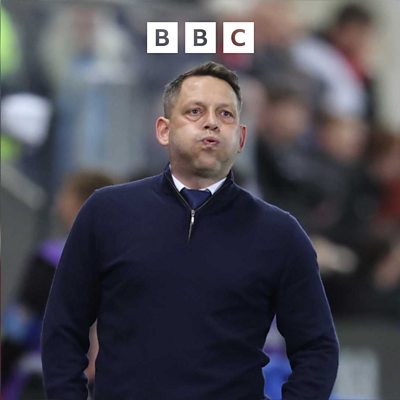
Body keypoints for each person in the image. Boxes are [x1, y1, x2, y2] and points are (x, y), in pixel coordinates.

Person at [41, 61, 339, 400]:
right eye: (195, 111)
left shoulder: (279, 233)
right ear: (163, 130)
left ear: (241, 138)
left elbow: (318, 347)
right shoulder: (106, 213)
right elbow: (62, 328)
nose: (212, 122)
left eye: (225, 114)